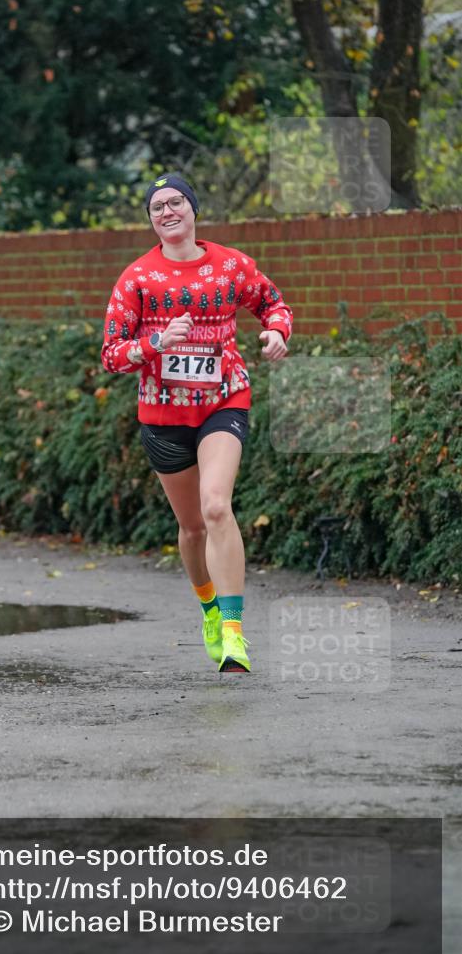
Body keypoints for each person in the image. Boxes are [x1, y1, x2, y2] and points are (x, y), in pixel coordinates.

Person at [100, 173, 293, 673]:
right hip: (163, 415)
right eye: (157, 207)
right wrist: (157, 343)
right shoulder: (137, 279)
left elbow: (273, 302)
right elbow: (111, 356)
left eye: (176, 202)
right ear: (151, 221)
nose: (167, 211)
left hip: (223, 401)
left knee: (215, 507)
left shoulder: (231, 264)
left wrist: (275, 332)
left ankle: (233, 633)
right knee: (190, 529)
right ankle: (209, 608)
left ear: (193, 209)